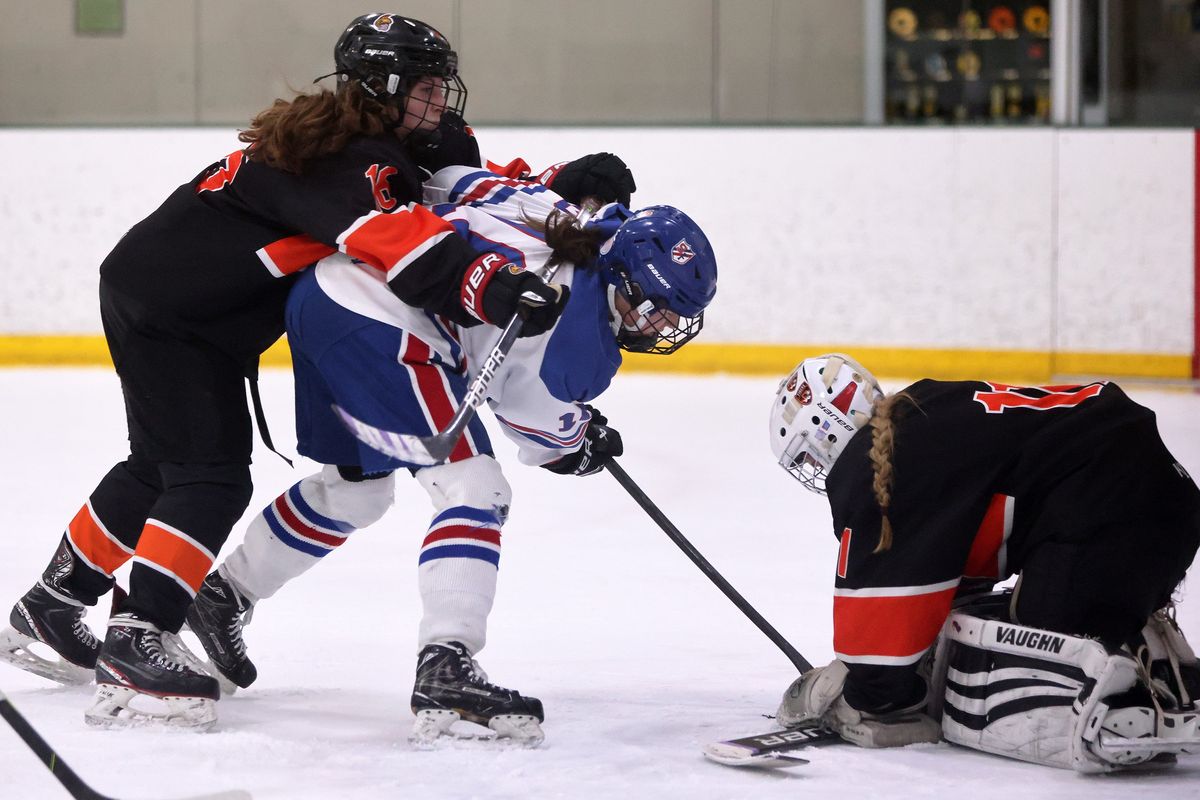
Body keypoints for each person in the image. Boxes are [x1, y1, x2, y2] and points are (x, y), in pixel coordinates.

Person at [0, 13, 629, 729]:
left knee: (158, 465)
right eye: (424, 88)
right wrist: (486, 281)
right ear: (384, 87)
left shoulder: (385, 141)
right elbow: (400, 238)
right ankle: (138, 637)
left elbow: (451, 191)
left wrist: (555, 183)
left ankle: (55, 602)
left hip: (169, 295)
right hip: (176, 313)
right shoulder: (348, 158)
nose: (439, 101)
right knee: (208, 475)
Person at [180, 165, 718, 745]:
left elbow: (450, 180)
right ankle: (447, 665)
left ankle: (223, 595)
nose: (663, 325)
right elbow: (535, 428)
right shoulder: (578, 334)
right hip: (387, 328)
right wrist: (578, 441)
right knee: (474, 485)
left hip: (323, 296)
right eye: (657, 307)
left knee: (357, 488)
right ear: (623, 278)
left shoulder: (545, 206)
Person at [766, 354, 1200, 771]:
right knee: (1016, 618)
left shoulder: (880, 470)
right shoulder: (923, 408)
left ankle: (1120, 709)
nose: (814, 467)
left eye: (807, 454)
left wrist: (856, 695)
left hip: (1114, 513)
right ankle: (1146, 657)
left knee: (1030, 659)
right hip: (1161, 498)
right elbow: (951, 564)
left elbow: (880, 676)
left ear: (826, 428)